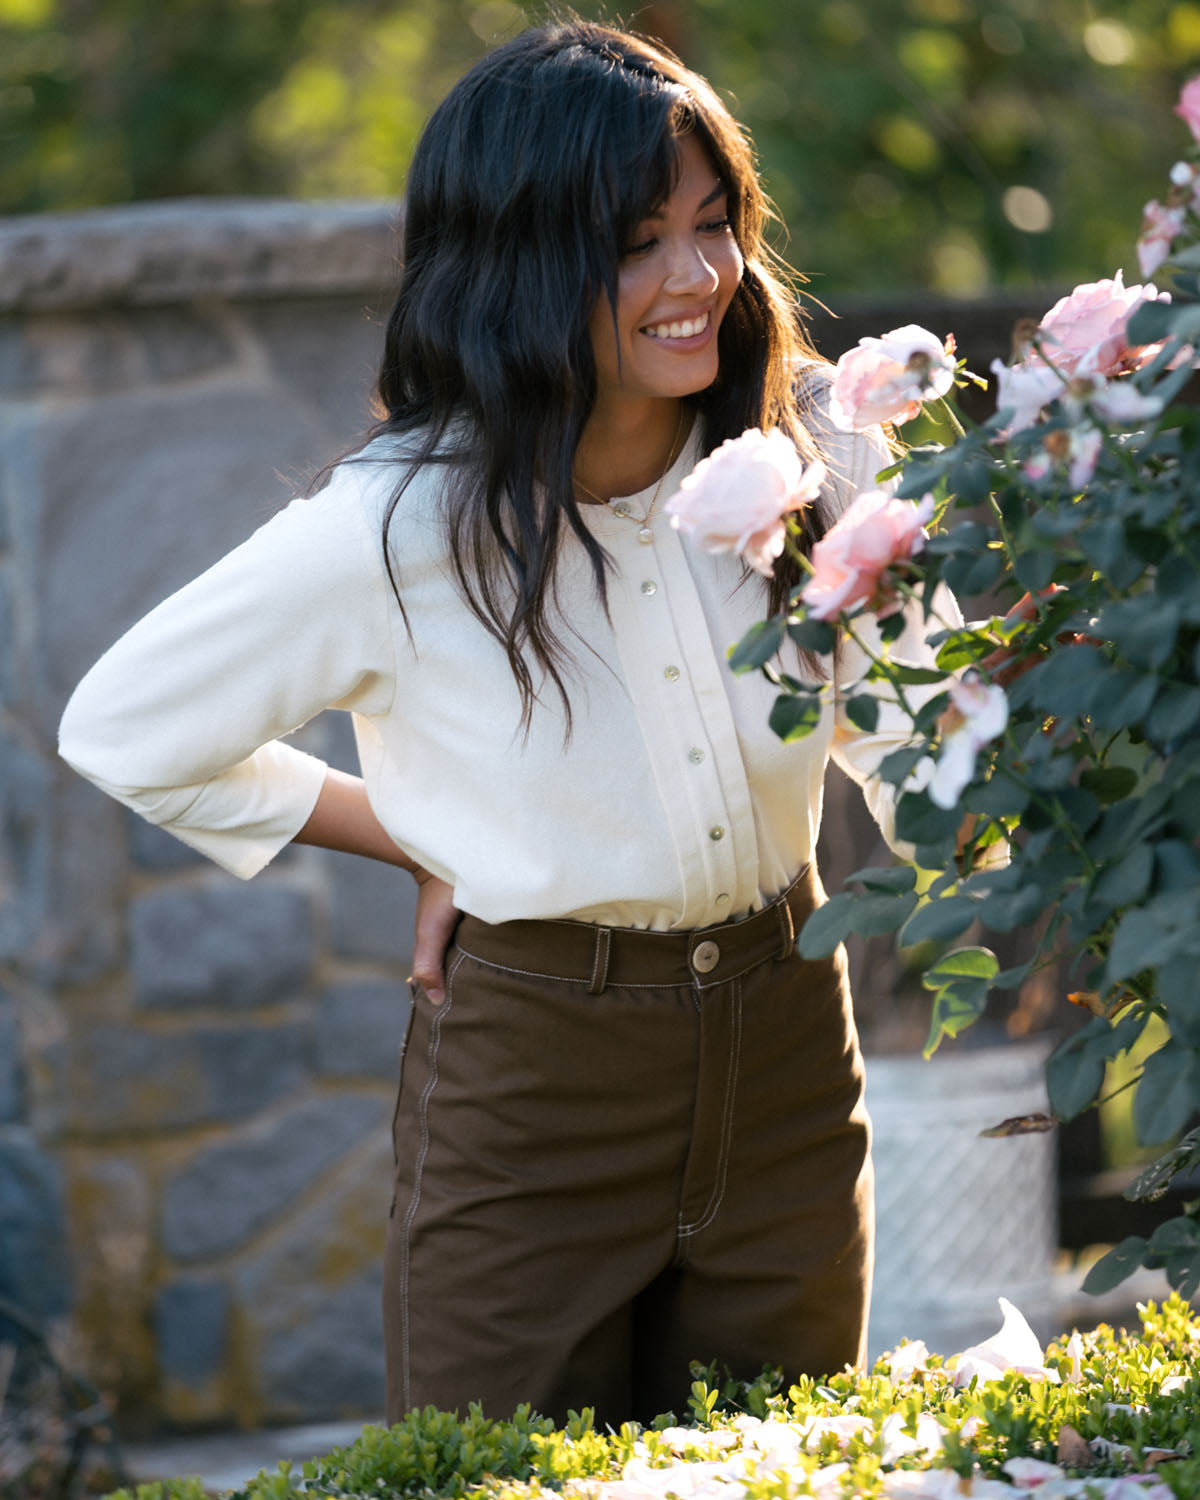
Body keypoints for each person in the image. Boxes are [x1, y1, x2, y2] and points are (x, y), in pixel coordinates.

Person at [58, 18, 949, 1429]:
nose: (697, 278)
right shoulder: (398, 525)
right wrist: (414, 840)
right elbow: (125, 725)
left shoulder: (811, 454)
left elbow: (922, 741)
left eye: (715, 226)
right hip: (539, 1076)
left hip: (790, 1039)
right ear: (521, 260)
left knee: (789, 1462)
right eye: (637, 240)